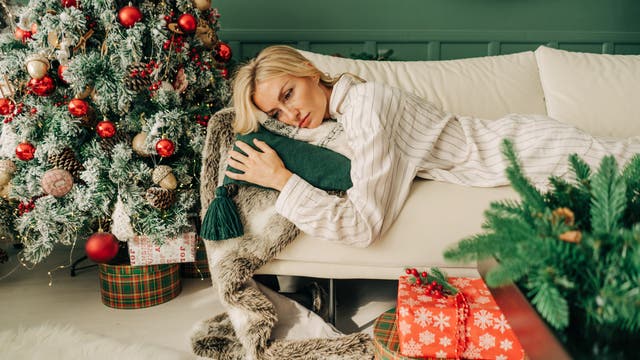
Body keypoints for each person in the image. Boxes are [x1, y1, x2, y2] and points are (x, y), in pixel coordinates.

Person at [226, 45, 640, 248]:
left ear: (311, 73)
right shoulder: (344, 114)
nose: (290, 114)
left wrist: (282, 181)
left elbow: (362, 225)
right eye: (276, 114)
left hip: (530, 149)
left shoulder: (367, 107)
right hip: (519, 145)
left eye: (288, 94)